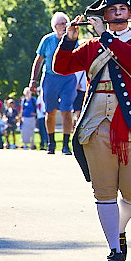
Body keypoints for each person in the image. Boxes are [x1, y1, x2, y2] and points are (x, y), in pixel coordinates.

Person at [54, 0, 131, 261]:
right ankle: (114, 247)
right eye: (111, 11)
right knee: (104, 190)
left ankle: (119, 228)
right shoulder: (92, 47)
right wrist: (68, 39)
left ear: (129, 13)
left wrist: (105, 36)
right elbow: (61, 67)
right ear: (104, 15)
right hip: (96, 124)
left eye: (122, 10)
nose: (117, 13)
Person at [29, 12, 77, 155]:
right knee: (50, 111)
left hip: (68, 78)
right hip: (50, 78)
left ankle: (65, 144)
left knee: (67, 110)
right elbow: (38, 61)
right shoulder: (47, 40)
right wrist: (33, 80)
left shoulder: (72, 39)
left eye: (66, 23)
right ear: (55, 26)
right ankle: (51, 142)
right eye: (61, 24)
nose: (64, 26)